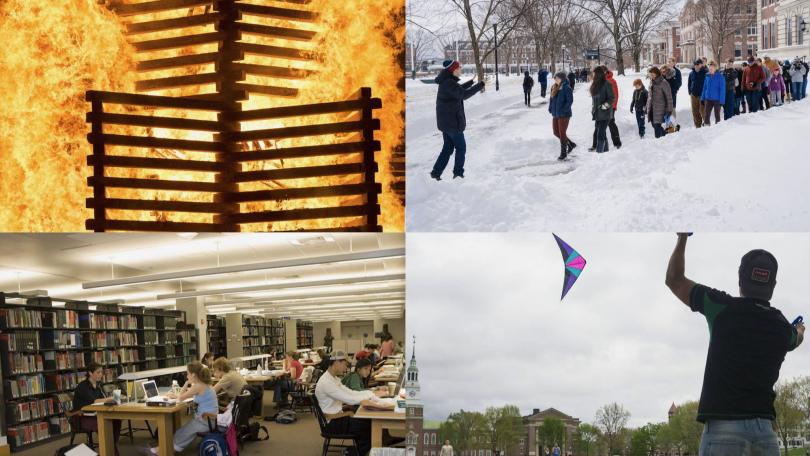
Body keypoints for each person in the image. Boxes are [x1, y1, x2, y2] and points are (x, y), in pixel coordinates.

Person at [665, 234, 805, 456]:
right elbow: (796, 339)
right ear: (773, 285)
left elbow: (674, 280)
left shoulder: (721, 307)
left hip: (723, 430)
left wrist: (682, 237)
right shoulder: (781, 327)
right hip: (766, 434)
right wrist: (799, 329)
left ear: (740, 279)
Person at [315, 351, 392, 456]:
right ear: (337, 362)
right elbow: (350, 399)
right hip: (333, 423)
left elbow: (351, 393)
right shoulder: (327, 382)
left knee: (368, 419)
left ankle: (375, 445)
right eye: (345, 364)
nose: (346, 368)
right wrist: (372, 395)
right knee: (368, 422)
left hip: (337, 416)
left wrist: (371, 394)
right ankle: (366, 451)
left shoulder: (333, 378)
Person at [146, 362, 218, 455]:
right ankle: (160, 449)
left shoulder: (198, 386)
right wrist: (176, 395)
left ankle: (163, 451)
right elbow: (183, 396)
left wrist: (186, 383)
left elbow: (180, 397)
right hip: (209, 419)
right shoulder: (203, 384)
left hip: (206, 420)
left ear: (193, 375)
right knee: (181, 431)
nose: (187, 376)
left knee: (182, 433)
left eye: (187, 373)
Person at [431, 59, 485, 181]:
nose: (460, 69)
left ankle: (436, 173)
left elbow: (459, 89)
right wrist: (481, 85)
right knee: (461, 148)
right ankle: (458, 173)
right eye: (458, 68)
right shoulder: (449, 83)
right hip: (452, 123)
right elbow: (464, 95)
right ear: (453, 70)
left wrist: (471, 82)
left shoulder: (447, 81)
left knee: (447, 149)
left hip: (447, 123)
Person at [73, 363, 121, 456]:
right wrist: (111, 398)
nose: (101, 374)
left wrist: (112, 400)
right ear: (90, 373)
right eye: (98, 372)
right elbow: (94, 401)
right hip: (81, 417)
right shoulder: (83, 386)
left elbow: (102, 401)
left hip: (95, 414)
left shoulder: (98, 386)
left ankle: (110, 444)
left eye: (101, 372)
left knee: (116, 420)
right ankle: (111, 450)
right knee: (104, 424)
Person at [549, 71, 575, 160]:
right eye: (555, 78)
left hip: (564, 114)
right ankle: (570, 144)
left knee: (562, 133)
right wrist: (550, 107)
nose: (555, 79)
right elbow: (551, 99)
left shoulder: (566, 87)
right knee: (556, 132)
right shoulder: (554, 87)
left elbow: (570, 101)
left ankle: (563, 153)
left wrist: (564, 109)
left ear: (562, 79)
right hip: (555, 113)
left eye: (557, 78)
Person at [589, 66, 614, 153]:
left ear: (598, 74)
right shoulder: (594, 84)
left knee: (600, 132)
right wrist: (593, 109)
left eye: (594, 73)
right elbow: (594, 99)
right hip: (597, 113)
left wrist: (604, 106)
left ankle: (599, 152)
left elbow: (611, 98)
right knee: (601, 132)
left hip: (605, 113)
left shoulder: (607, 84)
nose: (593, 74)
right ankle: (606, 151)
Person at [646, 67, 672, 139]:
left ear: (657, 73)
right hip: (652, 109)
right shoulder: (651, 82)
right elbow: (649, 97)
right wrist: (647, 107)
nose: (651, 76)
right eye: (650, 74)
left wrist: (669, 110)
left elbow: (669, 97)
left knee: (657, 127)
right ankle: (664, 136)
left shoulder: (663, 83)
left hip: (660, 109)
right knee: (654, 126)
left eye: (652, 74)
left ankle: (659, 142)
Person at [700, 61, 725, 126]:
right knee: (706, 115)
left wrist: (721, 101)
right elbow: (704, 88)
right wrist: (702, 98)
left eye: (712, 68)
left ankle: (718, 127)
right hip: (708, 99)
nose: (710, 69)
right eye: (709, 68)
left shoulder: (720, 76)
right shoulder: (707, 76)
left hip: (717, 100)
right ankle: (706, 127)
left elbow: (722, 90)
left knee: (717, 115)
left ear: (715, 68)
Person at [688, 59, 708, 128]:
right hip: (693, 95)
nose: (696, 66)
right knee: (695, 112)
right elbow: (689, 83)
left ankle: (706, 125)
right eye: (695, 65)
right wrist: (690, 92)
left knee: (703, 111)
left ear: (701, 65)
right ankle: (698, 126)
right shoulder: (691, 73)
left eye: (698, 64)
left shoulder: (705, 73)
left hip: (702, 95)